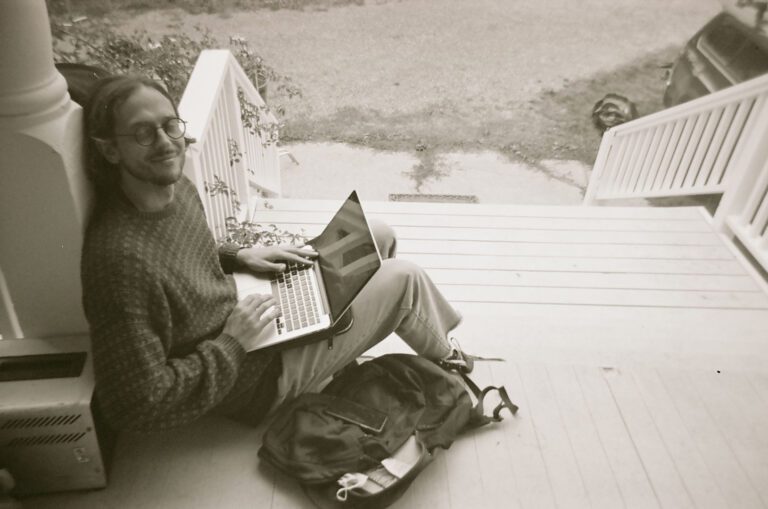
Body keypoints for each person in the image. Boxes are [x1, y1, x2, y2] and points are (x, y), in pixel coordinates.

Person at [80, 75, 471, 432]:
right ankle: (448, 360)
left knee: (376, 235)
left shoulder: (176, 189)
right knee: (403, 279)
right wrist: (232, 343)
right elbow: (135, 404)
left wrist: (239, 256)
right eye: (143, 133)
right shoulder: (119, 263)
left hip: (253, 314)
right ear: (110, 150)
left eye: (169, 125)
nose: (165, 142)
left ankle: (332, 328)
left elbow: (173, 258)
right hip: (253, 380)